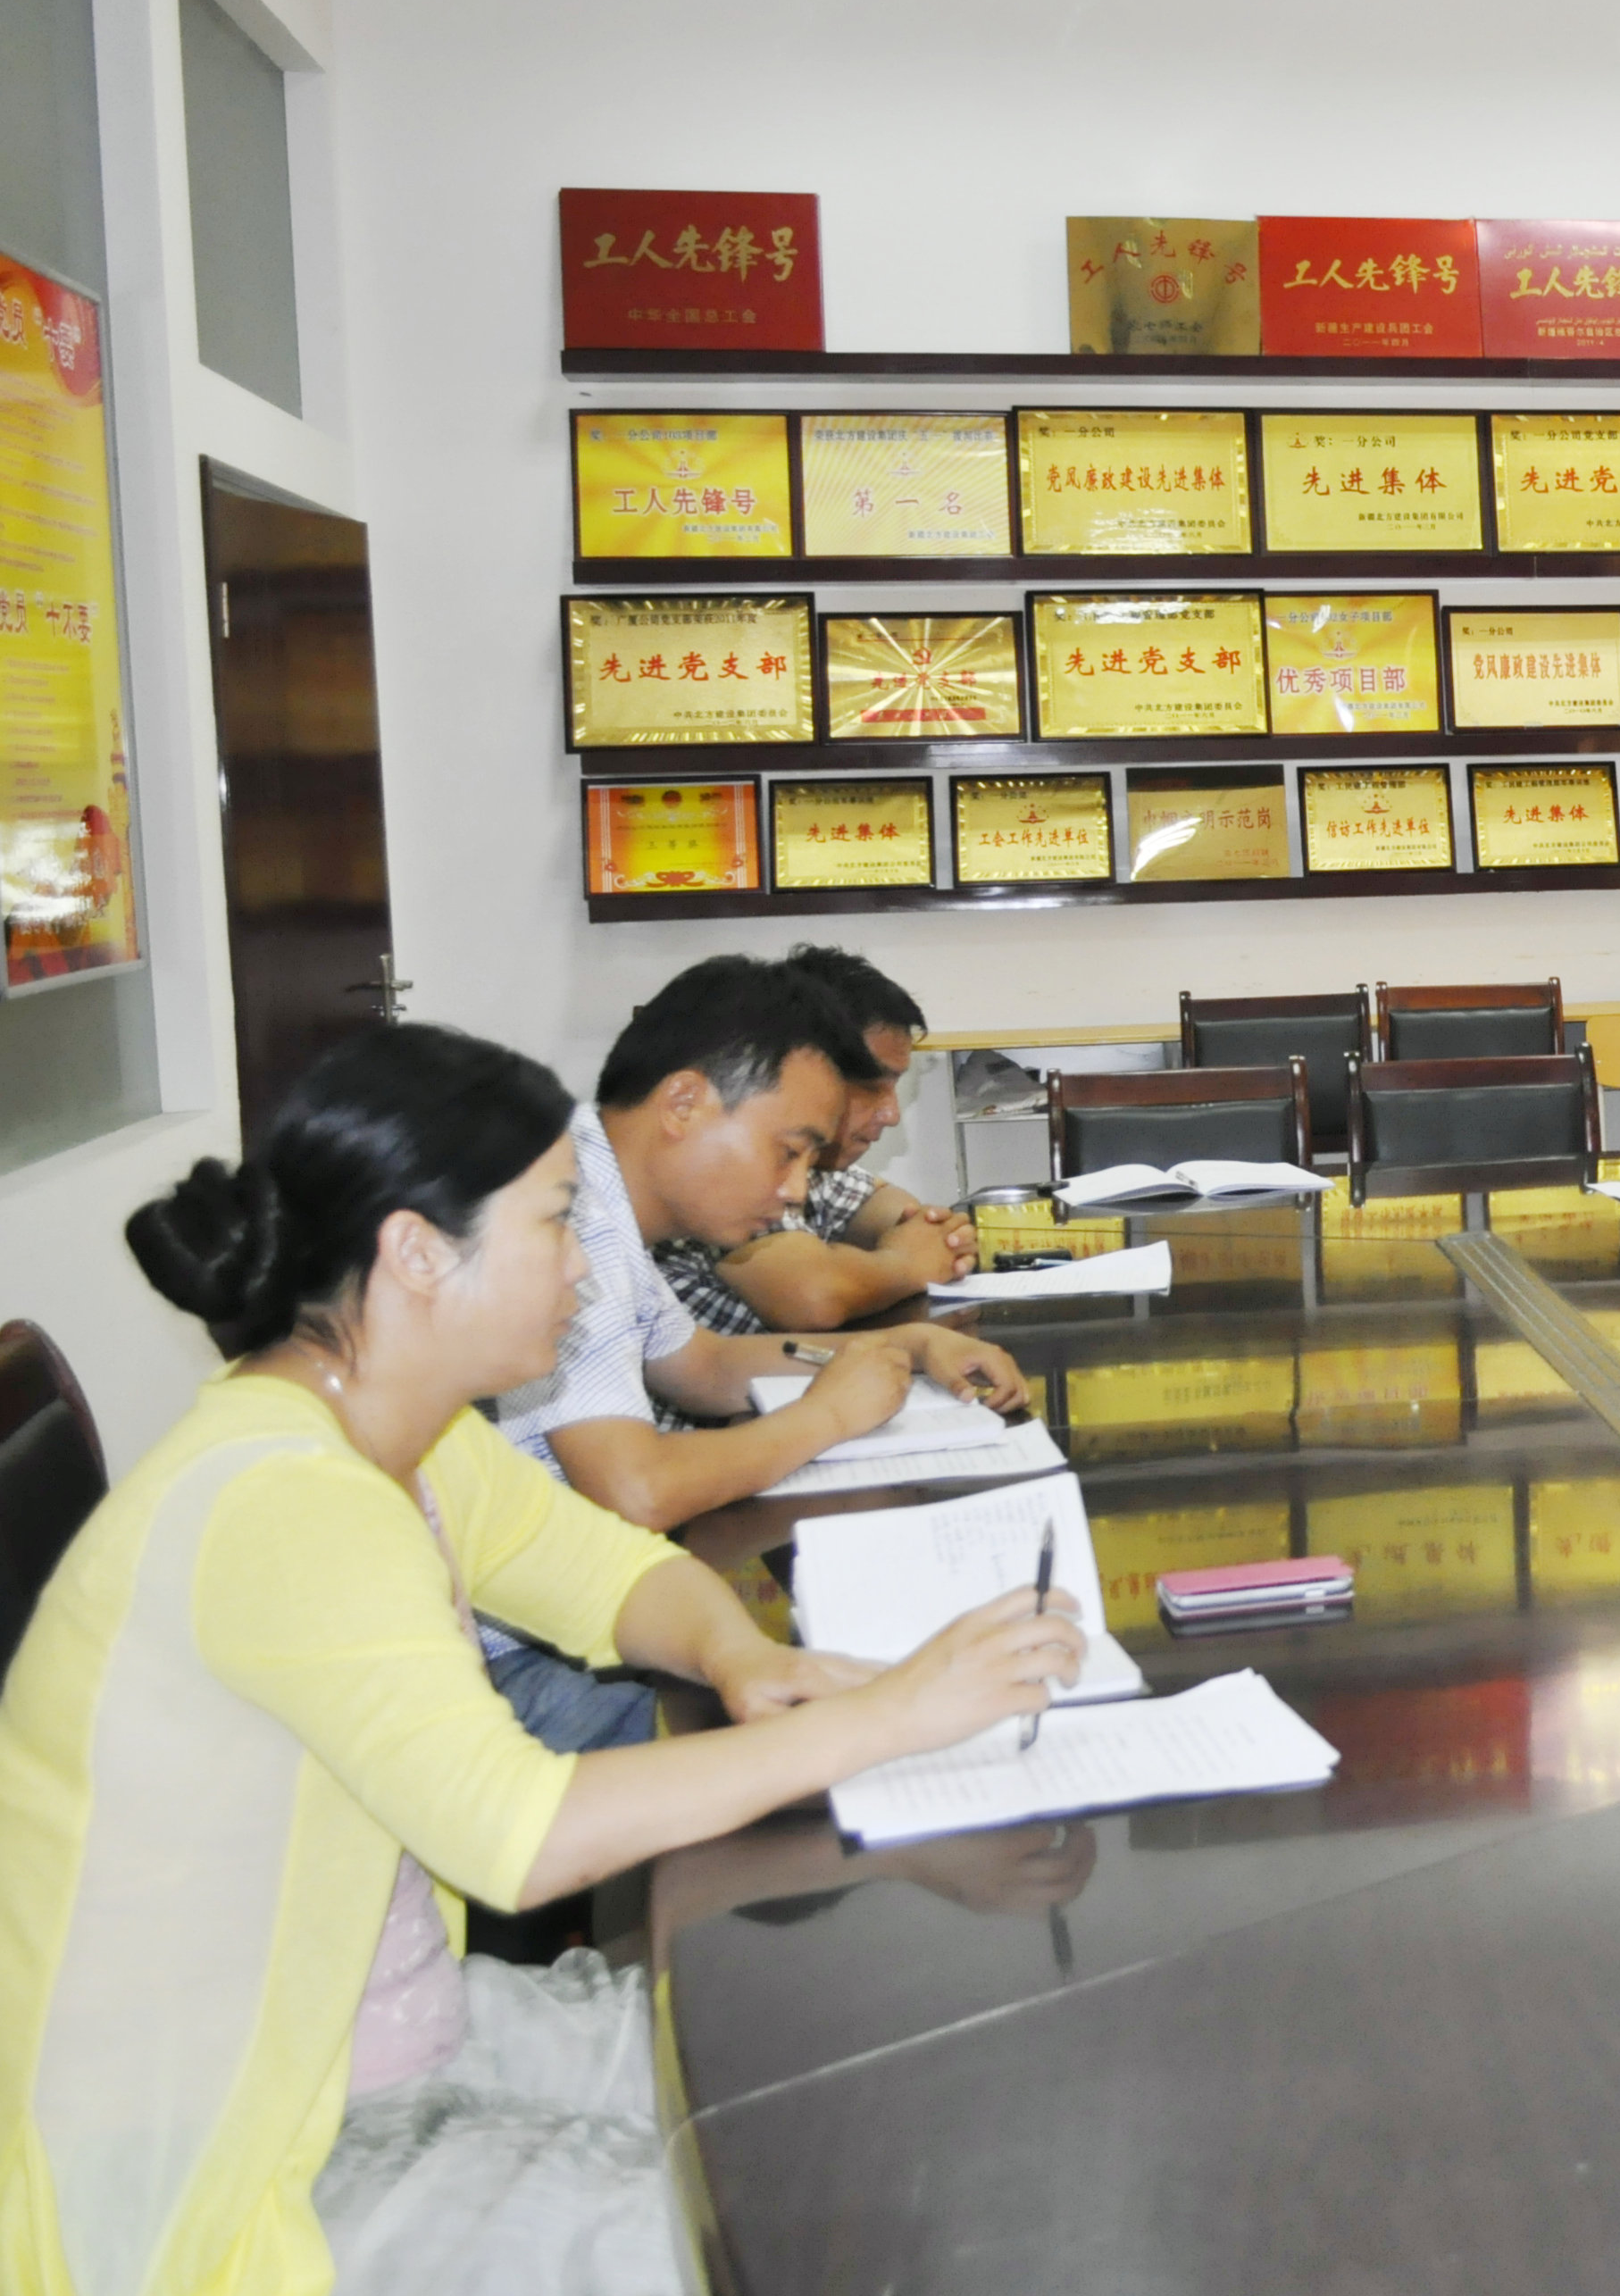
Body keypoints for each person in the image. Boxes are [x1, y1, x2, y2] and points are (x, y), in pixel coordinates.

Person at [0, 1023, 1085, 2296]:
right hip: (228, 2158)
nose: (582, 1264)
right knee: (782, 2221)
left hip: (387, 2038)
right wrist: (891, 1713)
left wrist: (739, 1656)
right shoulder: (283, 1501)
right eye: (556, 1222)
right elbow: (521, 1833)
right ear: (417, 1252)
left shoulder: (393, 1433)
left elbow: (607, 1570)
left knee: (834, 2081)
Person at [491, 956, 1026, 1748]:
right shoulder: (575, 1217)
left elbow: (703, 1367)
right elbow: (635, 1490)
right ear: (683, 1104)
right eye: (788, 1151)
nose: (799, 1191)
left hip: (571, 1620)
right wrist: (824, 1419)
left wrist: (906, 1343)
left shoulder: (593, 1181)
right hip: (515, 1665)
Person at [652, 945, 977, 1334]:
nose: (891, 1114)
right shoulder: (720, 1161)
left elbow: (901, 1214)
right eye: (870, 1085)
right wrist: (906, 1265)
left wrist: (930, 1241)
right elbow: (813, 1297)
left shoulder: (812, 1167)